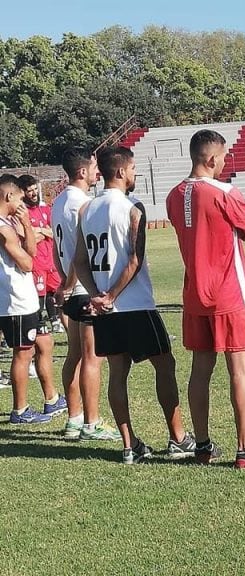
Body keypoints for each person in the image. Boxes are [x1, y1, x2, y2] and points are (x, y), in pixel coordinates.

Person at [166, 129, 245, 469]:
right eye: (224, 156)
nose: (226, 161)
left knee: (200, 370)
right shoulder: (224, 191)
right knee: (240, 371)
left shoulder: (174, 195)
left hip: (194, 294)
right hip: (229, 293)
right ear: (211, 158)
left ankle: (202, 444)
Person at [74, 146, 194, 464]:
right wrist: (111, 295)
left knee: (117, 372)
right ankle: (178, 439)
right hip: (135, 305)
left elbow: (80, 261)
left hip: (106, 311)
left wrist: (97, 295)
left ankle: (129, 446)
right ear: (121, 172)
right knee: (165, 366)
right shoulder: (132, 206)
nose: (134, 174)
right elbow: (135, 259)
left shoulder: (86, 210)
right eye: (132, 169)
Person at [51, 147, 120, 441]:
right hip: (82, 289)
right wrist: (69, 284)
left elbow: (58, 252)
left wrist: (62, 281)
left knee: (75, 356)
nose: (97, 172)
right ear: (82, 172)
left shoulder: (58, 202)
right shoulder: (82, 204)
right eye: (93, 167)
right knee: (93, 358)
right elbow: (82, 253)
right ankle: (92, 424)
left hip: (71, 288)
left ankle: (74, 419)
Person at [0, 174, 63, 423]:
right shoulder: (3, 228)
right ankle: (20, 410)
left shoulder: (10, 222)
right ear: (8, 196)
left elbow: (32, 252)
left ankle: (50, 400)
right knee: (23, 353)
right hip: (14, 298)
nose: (22, 202)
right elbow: (27, 263)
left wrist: (26, 224)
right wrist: (26, 233)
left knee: (41, 344)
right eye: (19, 197)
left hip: (22, 298)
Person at [17, 175, 65, 334]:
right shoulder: (21, 213)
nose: (33, 193)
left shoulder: (45, 209)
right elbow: (25, 237)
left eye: (34, 189)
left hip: (51, 259)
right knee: (39, 294)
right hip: (36, 261)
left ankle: (55, 319)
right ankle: (40, 321)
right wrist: (41, 232)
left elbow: (54, 233)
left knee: (55, 291)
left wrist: (37, 231)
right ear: (23, 193)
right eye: (29, 191)